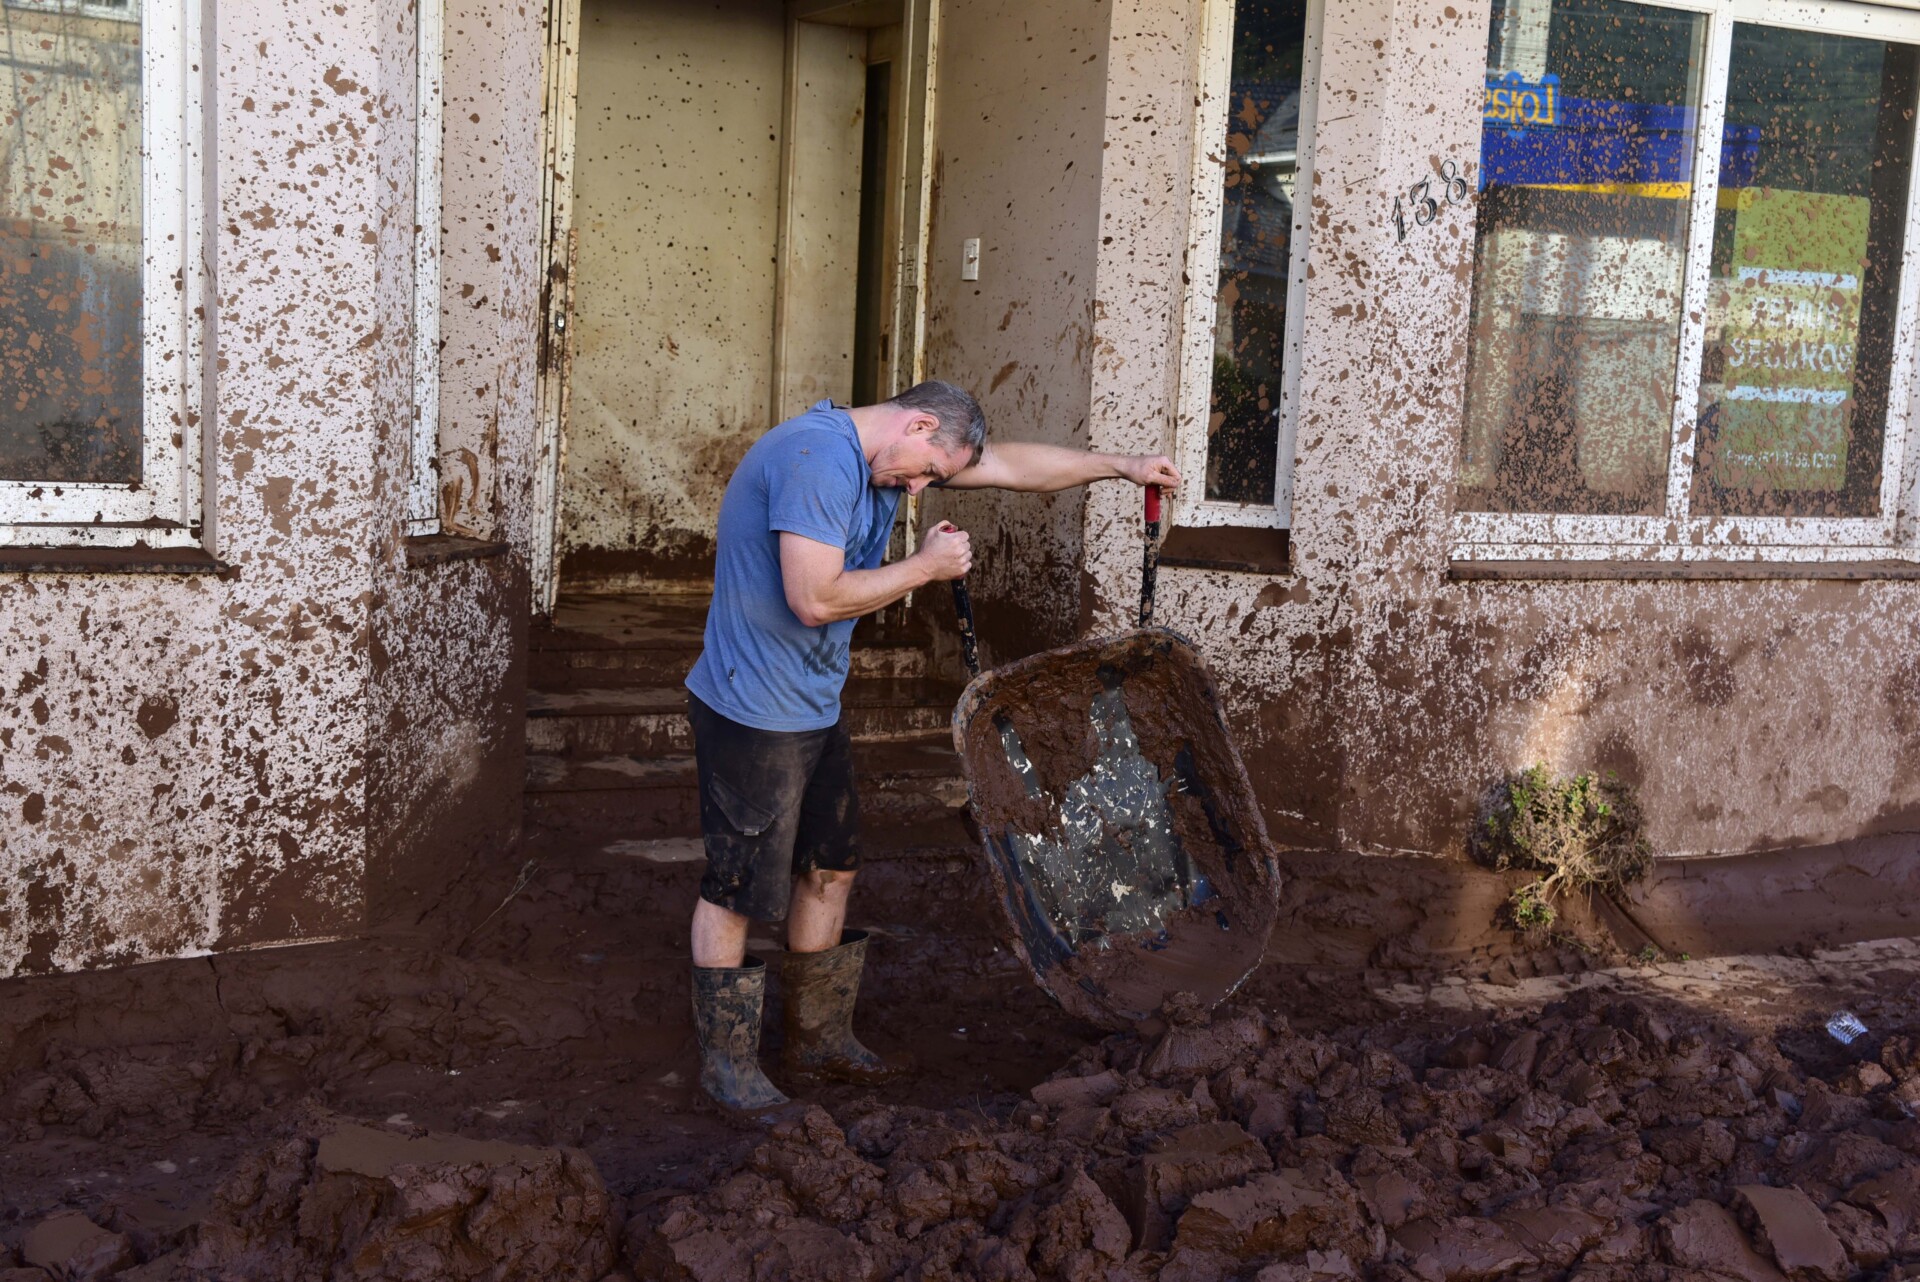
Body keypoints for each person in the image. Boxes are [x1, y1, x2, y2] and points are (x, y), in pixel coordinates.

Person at [683, 379, 1181, 1113]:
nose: (920, 490)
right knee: (739, 887)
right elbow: (813, 598)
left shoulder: (888, 454)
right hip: (753, 710)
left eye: (933, 481)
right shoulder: (817, 459)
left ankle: (816, 1041)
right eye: (925, 474)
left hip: (813, 706)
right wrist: (925, 567)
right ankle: (727, 1066)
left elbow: (1010, 467)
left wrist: (1122, 465)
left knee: (830, 869)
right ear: (917, 423)